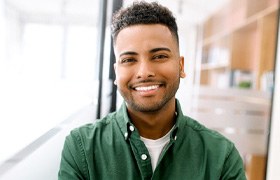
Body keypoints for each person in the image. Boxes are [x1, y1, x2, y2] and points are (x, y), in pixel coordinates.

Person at [58, 1, 246, 179]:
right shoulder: (81, 147)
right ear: (117, 72)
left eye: (159, 56)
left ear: (181, 66)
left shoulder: (221, 157)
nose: (144, 72)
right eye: (129, 60)